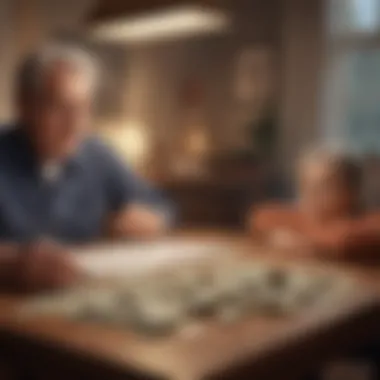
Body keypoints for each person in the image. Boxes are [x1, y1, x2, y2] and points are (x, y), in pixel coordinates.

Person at [0, 44, 173, 292]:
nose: (75, 123)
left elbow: (160, 205)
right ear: (24, 106)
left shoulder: (97, 154)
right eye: (60, 107)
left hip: (81, 297)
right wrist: (14, 264)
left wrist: (154, 219)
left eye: (83, 108)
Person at [248, 146, 380, 261]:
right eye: (305, 186)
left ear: (351, 190)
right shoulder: (303, 218)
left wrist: (301, 243)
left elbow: (345, 243)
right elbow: (260, 217)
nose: (310, 195)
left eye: (322, 187)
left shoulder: (369, 223)